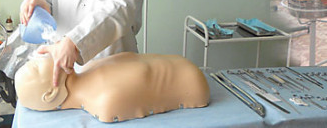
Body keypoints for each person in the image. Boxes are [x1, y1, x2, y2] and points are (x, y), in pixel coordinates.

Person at [15, 52, 209, 122]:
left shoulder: (88, 69)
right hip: (191, 83)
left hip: (188, 74)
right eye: (35, 68)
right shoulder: (104, 103)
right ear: (51, 94)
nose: (37, 59)